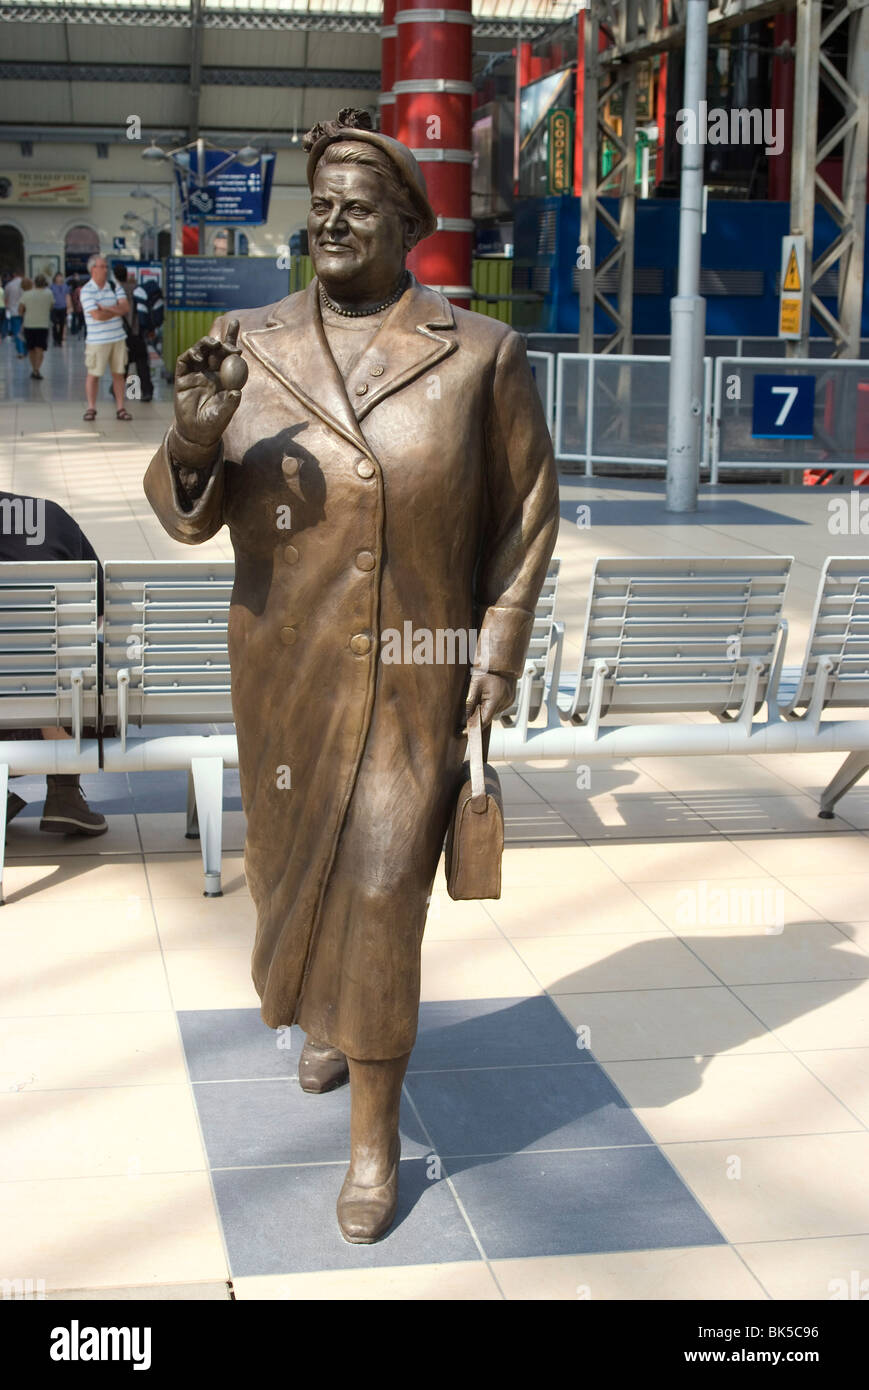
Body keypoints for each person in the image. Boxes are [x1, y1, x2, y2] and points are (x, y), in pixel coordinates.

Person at [144, 108, 559, 1244]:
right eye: (319, 199)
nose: (331, 217)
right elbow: (187, 513)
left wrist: (498, 642)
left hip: (414, 675)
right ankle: (323, 1018)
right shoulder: (247, 342)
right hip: (283, 674)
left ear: (408, 227)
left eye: (358, 202)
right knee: (289, 883)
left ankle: (373, 1135)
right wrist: (191, 441)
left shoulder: (475, 354)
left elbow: (524, 510)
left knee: (381, 892)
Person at [0, 490, 107, 835]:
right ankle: (64, 792)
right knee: (88, 661)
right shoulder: (49, 515)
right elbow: (99, 613)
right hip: (69, 710)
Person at [79, 253, 131, 421]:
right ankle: (91, 408)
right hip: (97, 340)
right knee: (93, 374)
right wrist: (115, 309)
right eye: (102, 266)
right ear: (93, 269)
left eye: (106, 267)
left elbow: (125, 308)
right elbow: (96, 316)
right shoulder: (86, 290)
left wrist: (107, 309)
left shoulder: (114, 285)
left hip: (118, 338)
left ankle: (121, 408)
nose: (105, 269)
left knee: (119, 374)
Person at [112, 262, 153, 401]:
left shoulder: (117, 291)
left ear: (115, 276)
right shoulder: (137, 288)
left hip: (122, 333)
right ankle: (147, 391)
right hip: (139, 332)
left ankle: (116, 389)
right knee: (142, 363)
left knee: (123, 362)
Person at [19, 274, 53, 379]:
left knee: (31, 349)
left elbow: (20, 311)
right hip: (43, 324)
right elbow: (51, 307)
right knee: (40, 348)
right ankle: (37, 369)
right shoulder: (49, 294)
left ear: (34, 283)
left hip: (29, 324)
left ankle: (34, 368)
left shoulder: (26, 294)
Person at [5, 269, 26, 358]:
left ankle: (20, 350)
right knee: (25, 331)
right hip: (25, 311)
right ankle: (25, 350)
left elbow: (6, 298)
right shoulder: (25, 284)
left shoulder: (9, 285)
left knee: (17, 331)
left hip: (14, 311)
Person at [50, 271, 68, 346]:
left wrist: (69, 306)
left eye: (60, 277)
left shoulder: (65, 286)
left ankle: (60, 339)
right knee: (54, 323)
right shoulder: (52, 287)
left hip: (63, 307)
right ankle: (55, 338)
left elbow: (67, 296)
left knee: (62, 324)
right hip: (54, 307)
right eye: (58, 277)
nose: (59, 278)